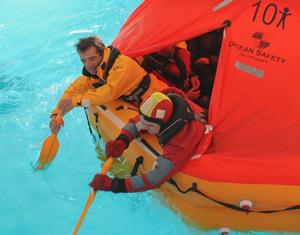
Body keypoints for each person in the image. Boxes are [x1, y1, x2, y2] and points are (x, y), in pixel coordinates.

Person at [89, 88, 212, 193]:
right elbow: (138, 122)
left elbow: (155, 179)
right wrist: (122, 141)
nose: (145, 127)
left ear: (164, 124)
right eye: (144, 123)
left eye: (149, 126)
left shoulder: (179, 143)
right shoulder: (158, 115)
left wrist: (113, 185)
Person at [49, 36, 168, 135]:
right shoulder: (95, 71)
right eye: (84, 61)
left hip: (160, 98)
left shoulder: (122, 66)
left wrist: (76, 101)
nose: (88, 65)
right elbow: (73, 90)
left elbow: (109, 93)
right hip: (139, 102)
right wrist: (56, 115)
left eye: (91, 59)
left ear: (102, 54)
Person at [135, 42, 201, 102]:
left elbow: (189, 67)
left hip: (189, 89)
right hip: (177, 101)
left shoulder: (181, 52)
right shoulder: (149, 68)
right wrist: (185, 98)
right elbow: (159, 97)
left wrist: (192, 76)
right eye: (168, 42)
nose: (174, 43)